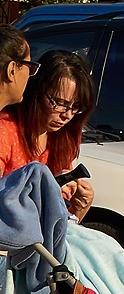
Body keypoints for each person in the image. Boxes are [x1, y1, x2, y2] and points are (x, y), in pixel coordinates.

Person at [0, 47, 95, 218]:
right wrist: (47, 189)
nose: (67, 115)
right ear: (36, 92)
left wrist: (79, 208)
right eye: (59, 103)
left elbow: (58, 228)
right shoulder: (5, 131)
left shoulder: (61, 139)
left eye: (75, 107)